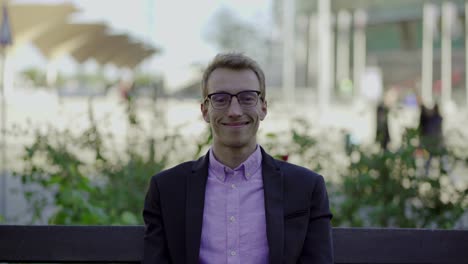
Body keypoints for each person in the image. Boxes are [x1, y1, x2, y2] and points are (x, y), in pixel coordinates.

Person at [142, 53, 334, 264]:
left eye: (247, 97)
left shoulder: (306, 187)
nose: (234, 111)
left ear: (263, 107)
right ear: (205, 110)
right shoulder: (167, 189)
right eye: (220, 99)